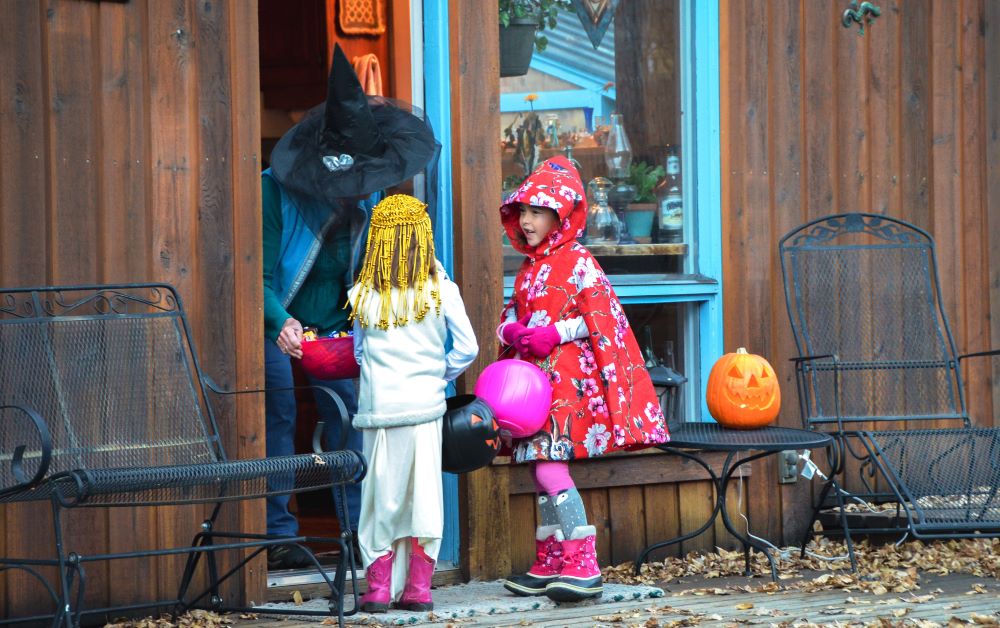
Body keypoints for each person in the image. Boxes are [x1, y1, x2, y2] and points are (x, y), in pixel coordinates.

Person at [263, 43, 439, 570]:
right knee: (278, 411)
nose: (356, 191)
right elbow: (253, 279)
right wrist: (280, 321)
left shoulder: (371, 196)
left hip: (338, 326)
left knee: (353, 416)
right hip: (274, 320)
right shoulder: (274, 194)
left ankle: (361, 538)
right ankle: (279, 535)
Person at [496, 156, 669, 602]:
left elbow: (601, 317)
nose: (527, 221)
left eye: (538, 212)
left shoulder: (579, 261)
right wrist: (511, 331)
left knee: (550, 463)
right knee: (539, 468)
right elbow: (512, 314)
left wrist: (555, 332)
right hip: (532, 386)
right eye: (523, 211)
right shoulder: (529, 268)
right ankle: (552, 558)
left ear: (562, 216)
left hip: (566, 384)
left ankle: (582, 561)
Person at [346, 194, 478, 613]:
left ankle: (378, 589)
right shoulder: (442, 290)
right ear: (424, 237)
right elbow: (468, 349)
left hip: (379, 413)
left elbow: (360, 354)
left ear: (378, 241)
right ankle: (418, 589)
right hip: (424, 409)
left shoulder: (362, 295)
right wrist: (438, 376)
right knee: (423, 499)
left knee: (379, 499)